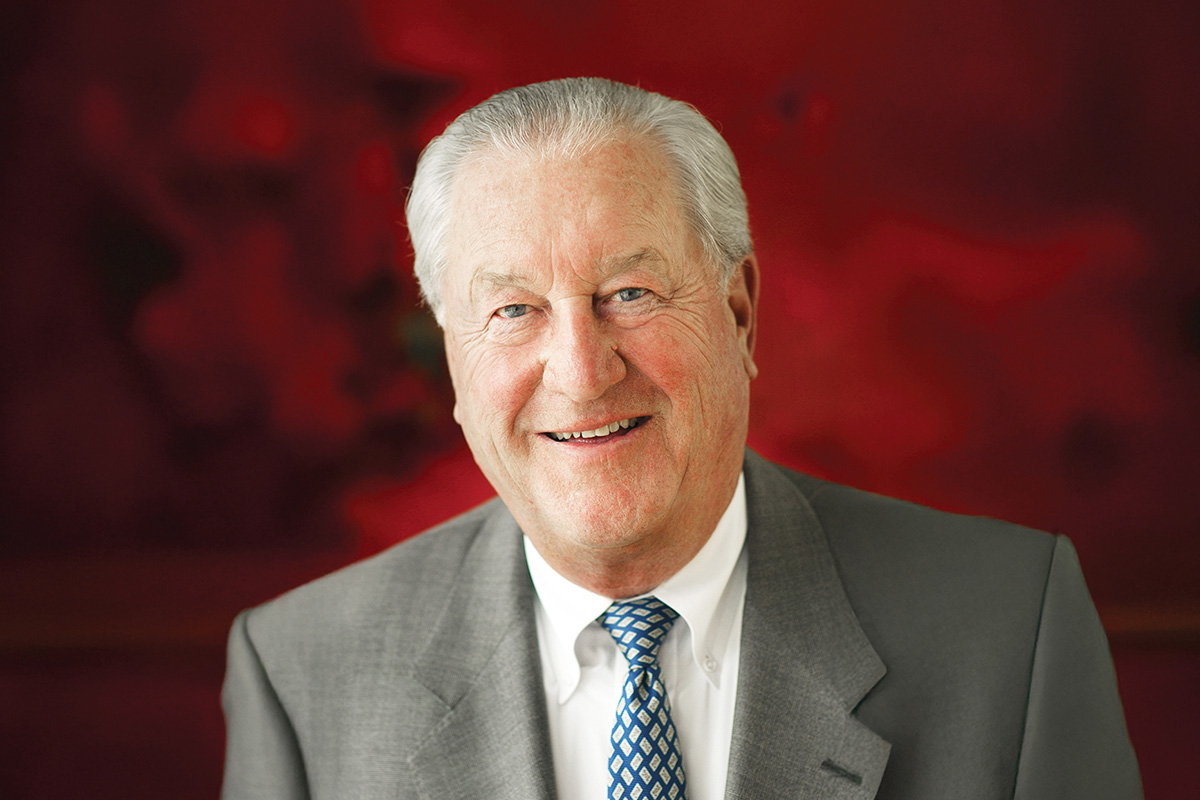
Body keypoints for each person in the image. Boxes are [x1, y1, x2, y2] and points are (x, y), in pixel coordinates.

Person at [220, 77, 1142, 800]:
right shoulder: (304, 675)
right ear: (455, 364)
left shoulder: (1009, 633)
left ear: (739, 315)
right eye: (514, 309)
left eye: (631, 292)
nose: (581, 371)